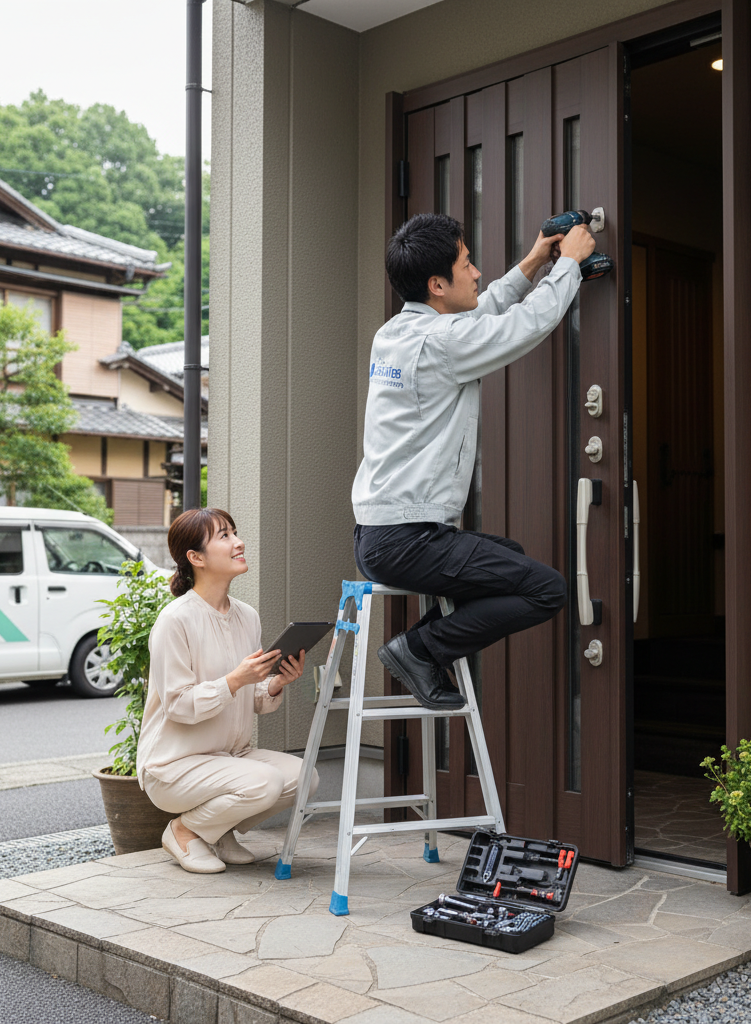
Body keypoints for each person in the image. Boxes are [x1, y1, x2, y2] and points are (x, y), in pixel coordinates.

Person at [352, 212, 595, 710]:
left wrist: (534, 263)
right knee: (546, 589)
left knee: (507, 553)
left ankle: (419, 648)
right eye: (468, 263)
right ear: (437, 284)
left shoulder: (396, 333)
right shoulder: (441, 343)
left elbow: (478, 314)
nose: (478, 272)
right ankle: (419, 650)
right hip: (409, 538)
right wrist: (568, 265)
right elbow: (523, 327)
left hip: (381, 535)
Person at [136, 507, 319, 874]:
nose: (239, 542)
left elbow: (252, 699)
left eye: (234, 533)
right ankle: (185, 832)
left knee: (305, 776)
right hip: (173, 765)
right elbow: (179, 707)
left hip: (229, 757)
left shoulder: (247, 615)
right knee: (265, 783)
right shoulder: (175, 621)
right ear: (196, 558)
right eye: (225, 536)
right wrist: (235, 679)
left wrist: (276, 682)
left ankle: (216, 831)